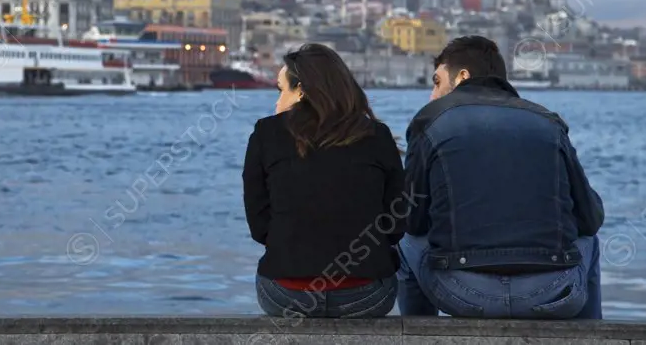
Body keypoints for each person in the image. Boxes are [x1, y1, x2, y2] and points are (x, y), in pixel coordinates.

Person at [398, 35, 604, 319]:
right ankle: (590, 338)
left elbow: (412, 219)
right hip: (552, 291)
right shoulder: (548, 121)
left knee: (406, 240)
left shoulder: (429, 119)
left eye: (437, 81)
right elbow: (590, 220)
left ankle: (417, 336)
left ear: (462, 77)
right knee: (590, 242)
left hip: (462, 292)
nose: (433, 95)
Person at [243, 43, 406, 318]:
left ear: (301, 90)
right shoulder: (377, 135)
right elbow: (397, 223)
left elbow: (260, 227)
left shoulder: (265, 133)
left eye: (281, 90)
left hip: (286, 293)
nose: (277, 102)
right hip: (366, 294)